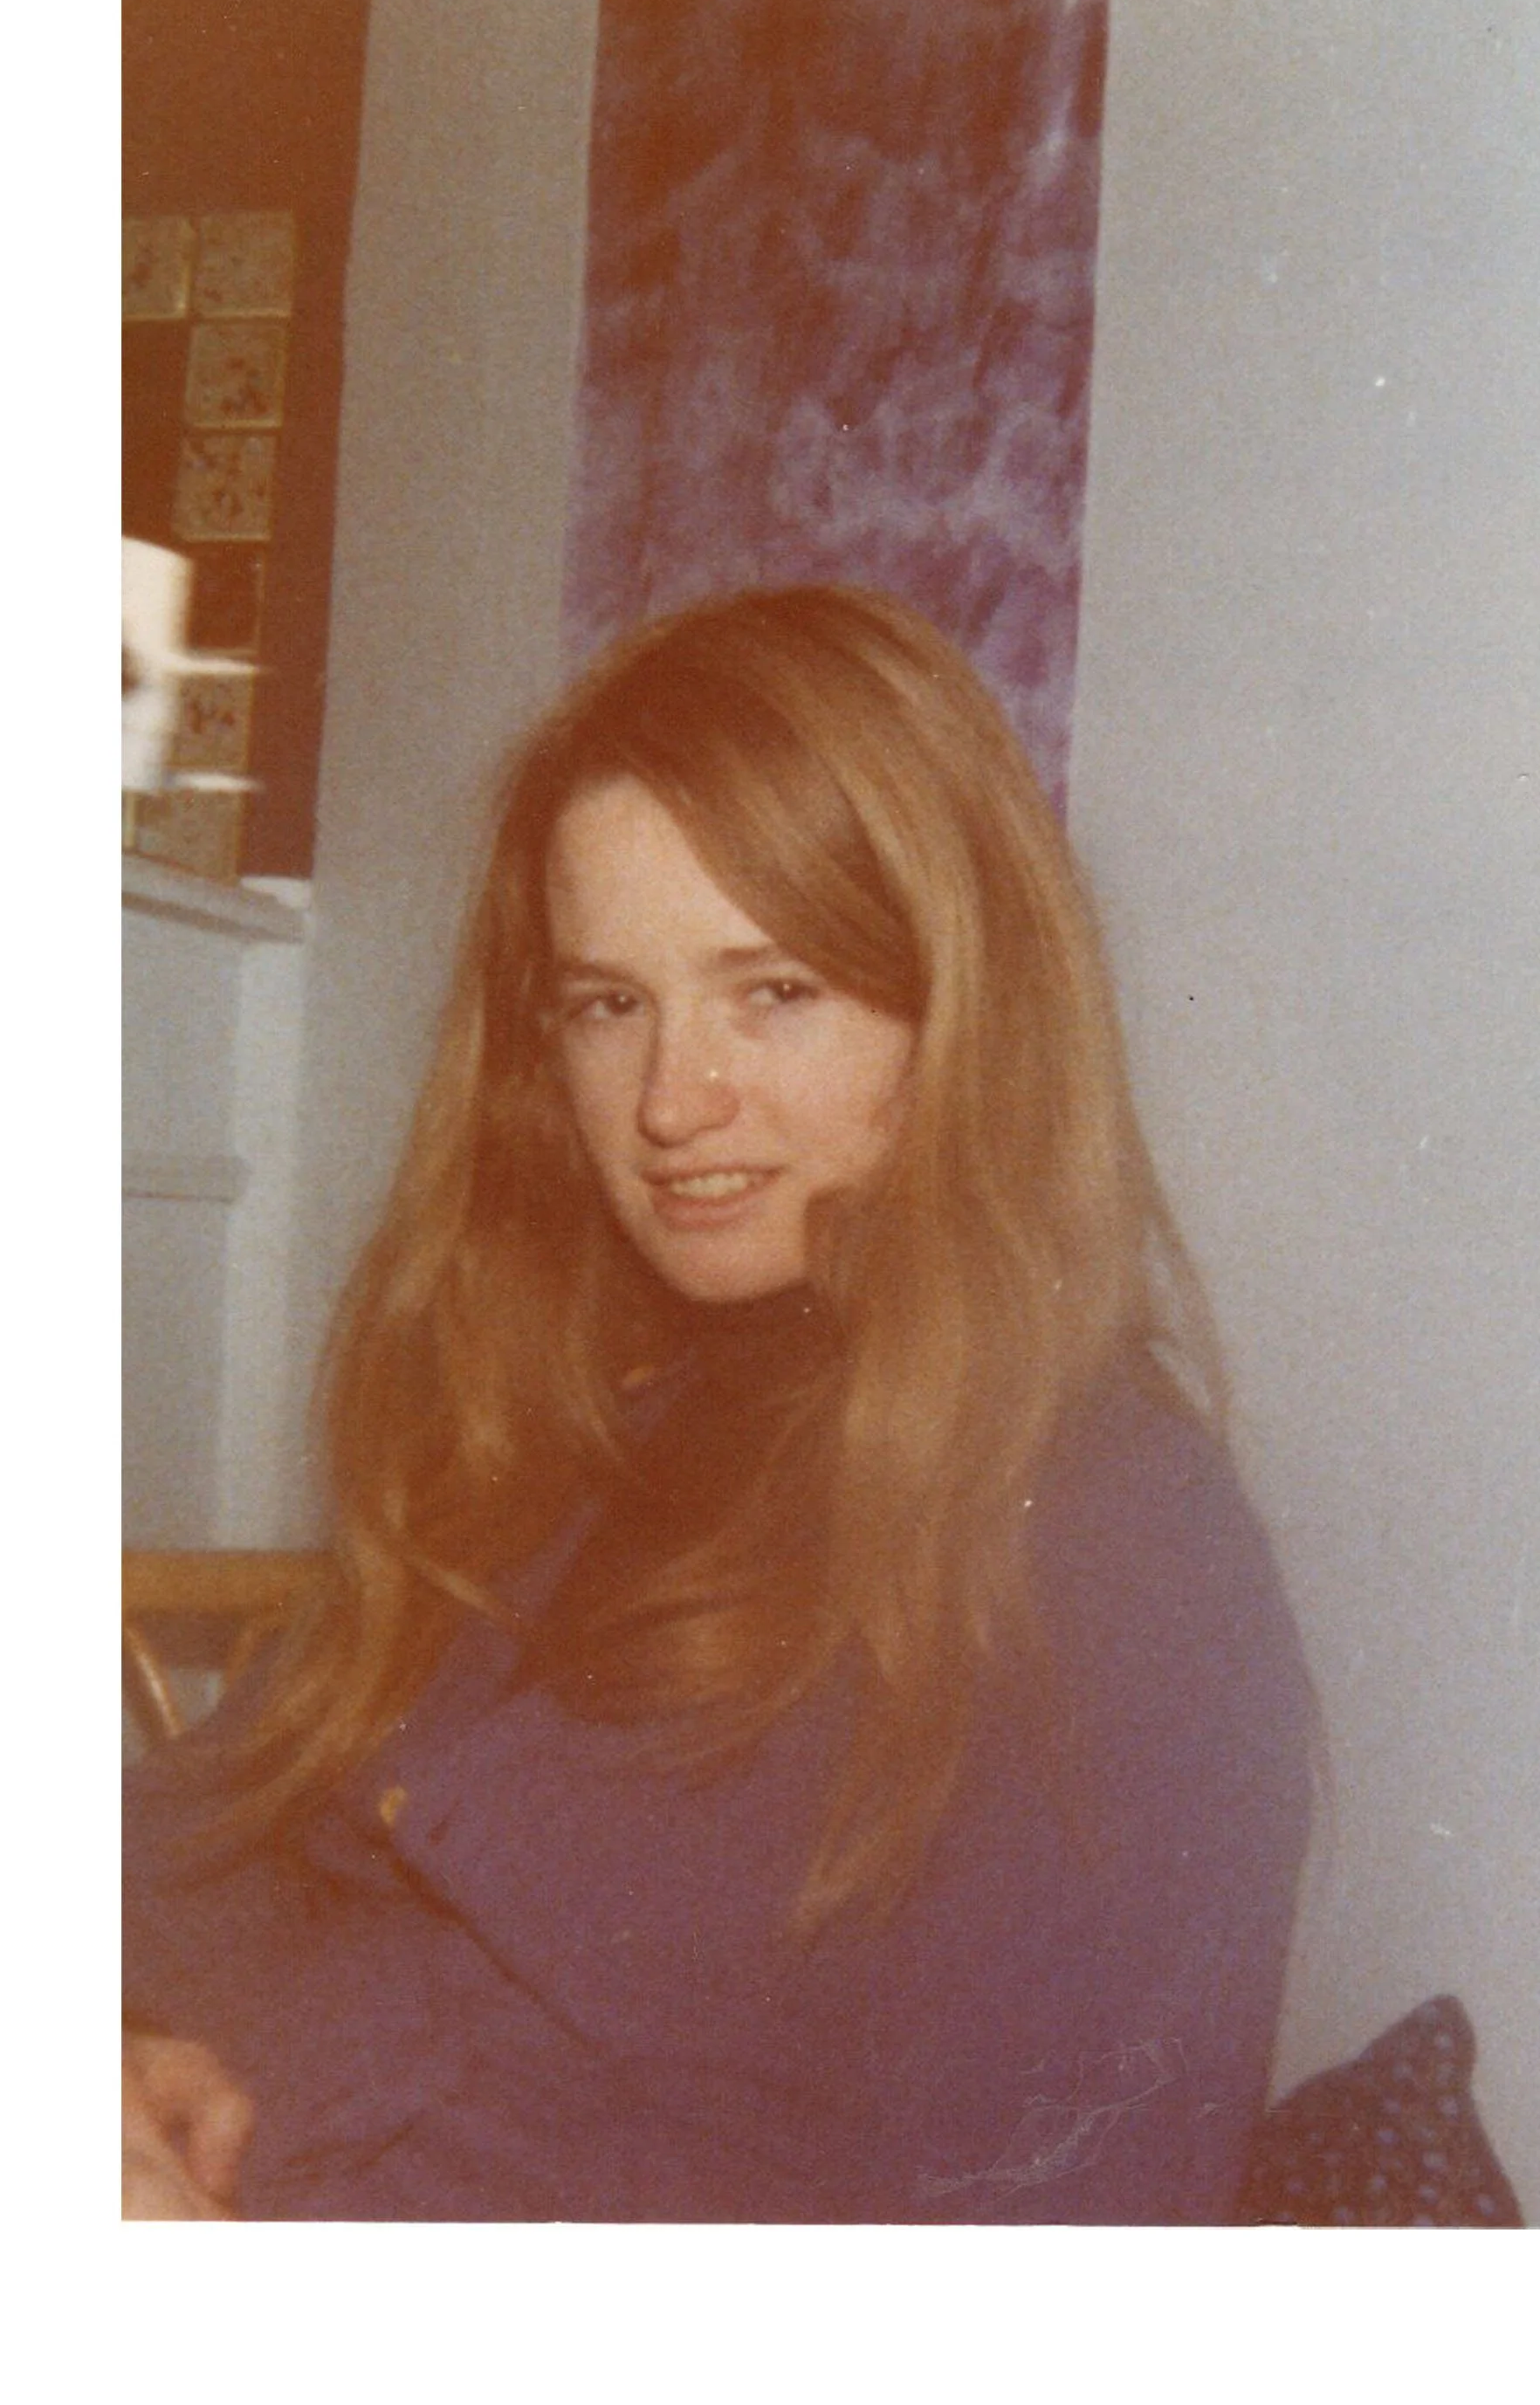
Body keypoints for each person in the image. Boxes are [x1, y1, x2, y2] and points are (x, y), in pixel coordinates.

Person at [124, 586, 1315, 2222]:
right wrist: (140, 2053)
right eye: (610, 1005)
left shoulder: (1117, 1557)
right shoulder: (604, 1408)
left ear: (959, 1009)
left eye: (773, 993)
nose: (673, 1103)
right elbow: (214, 1831)